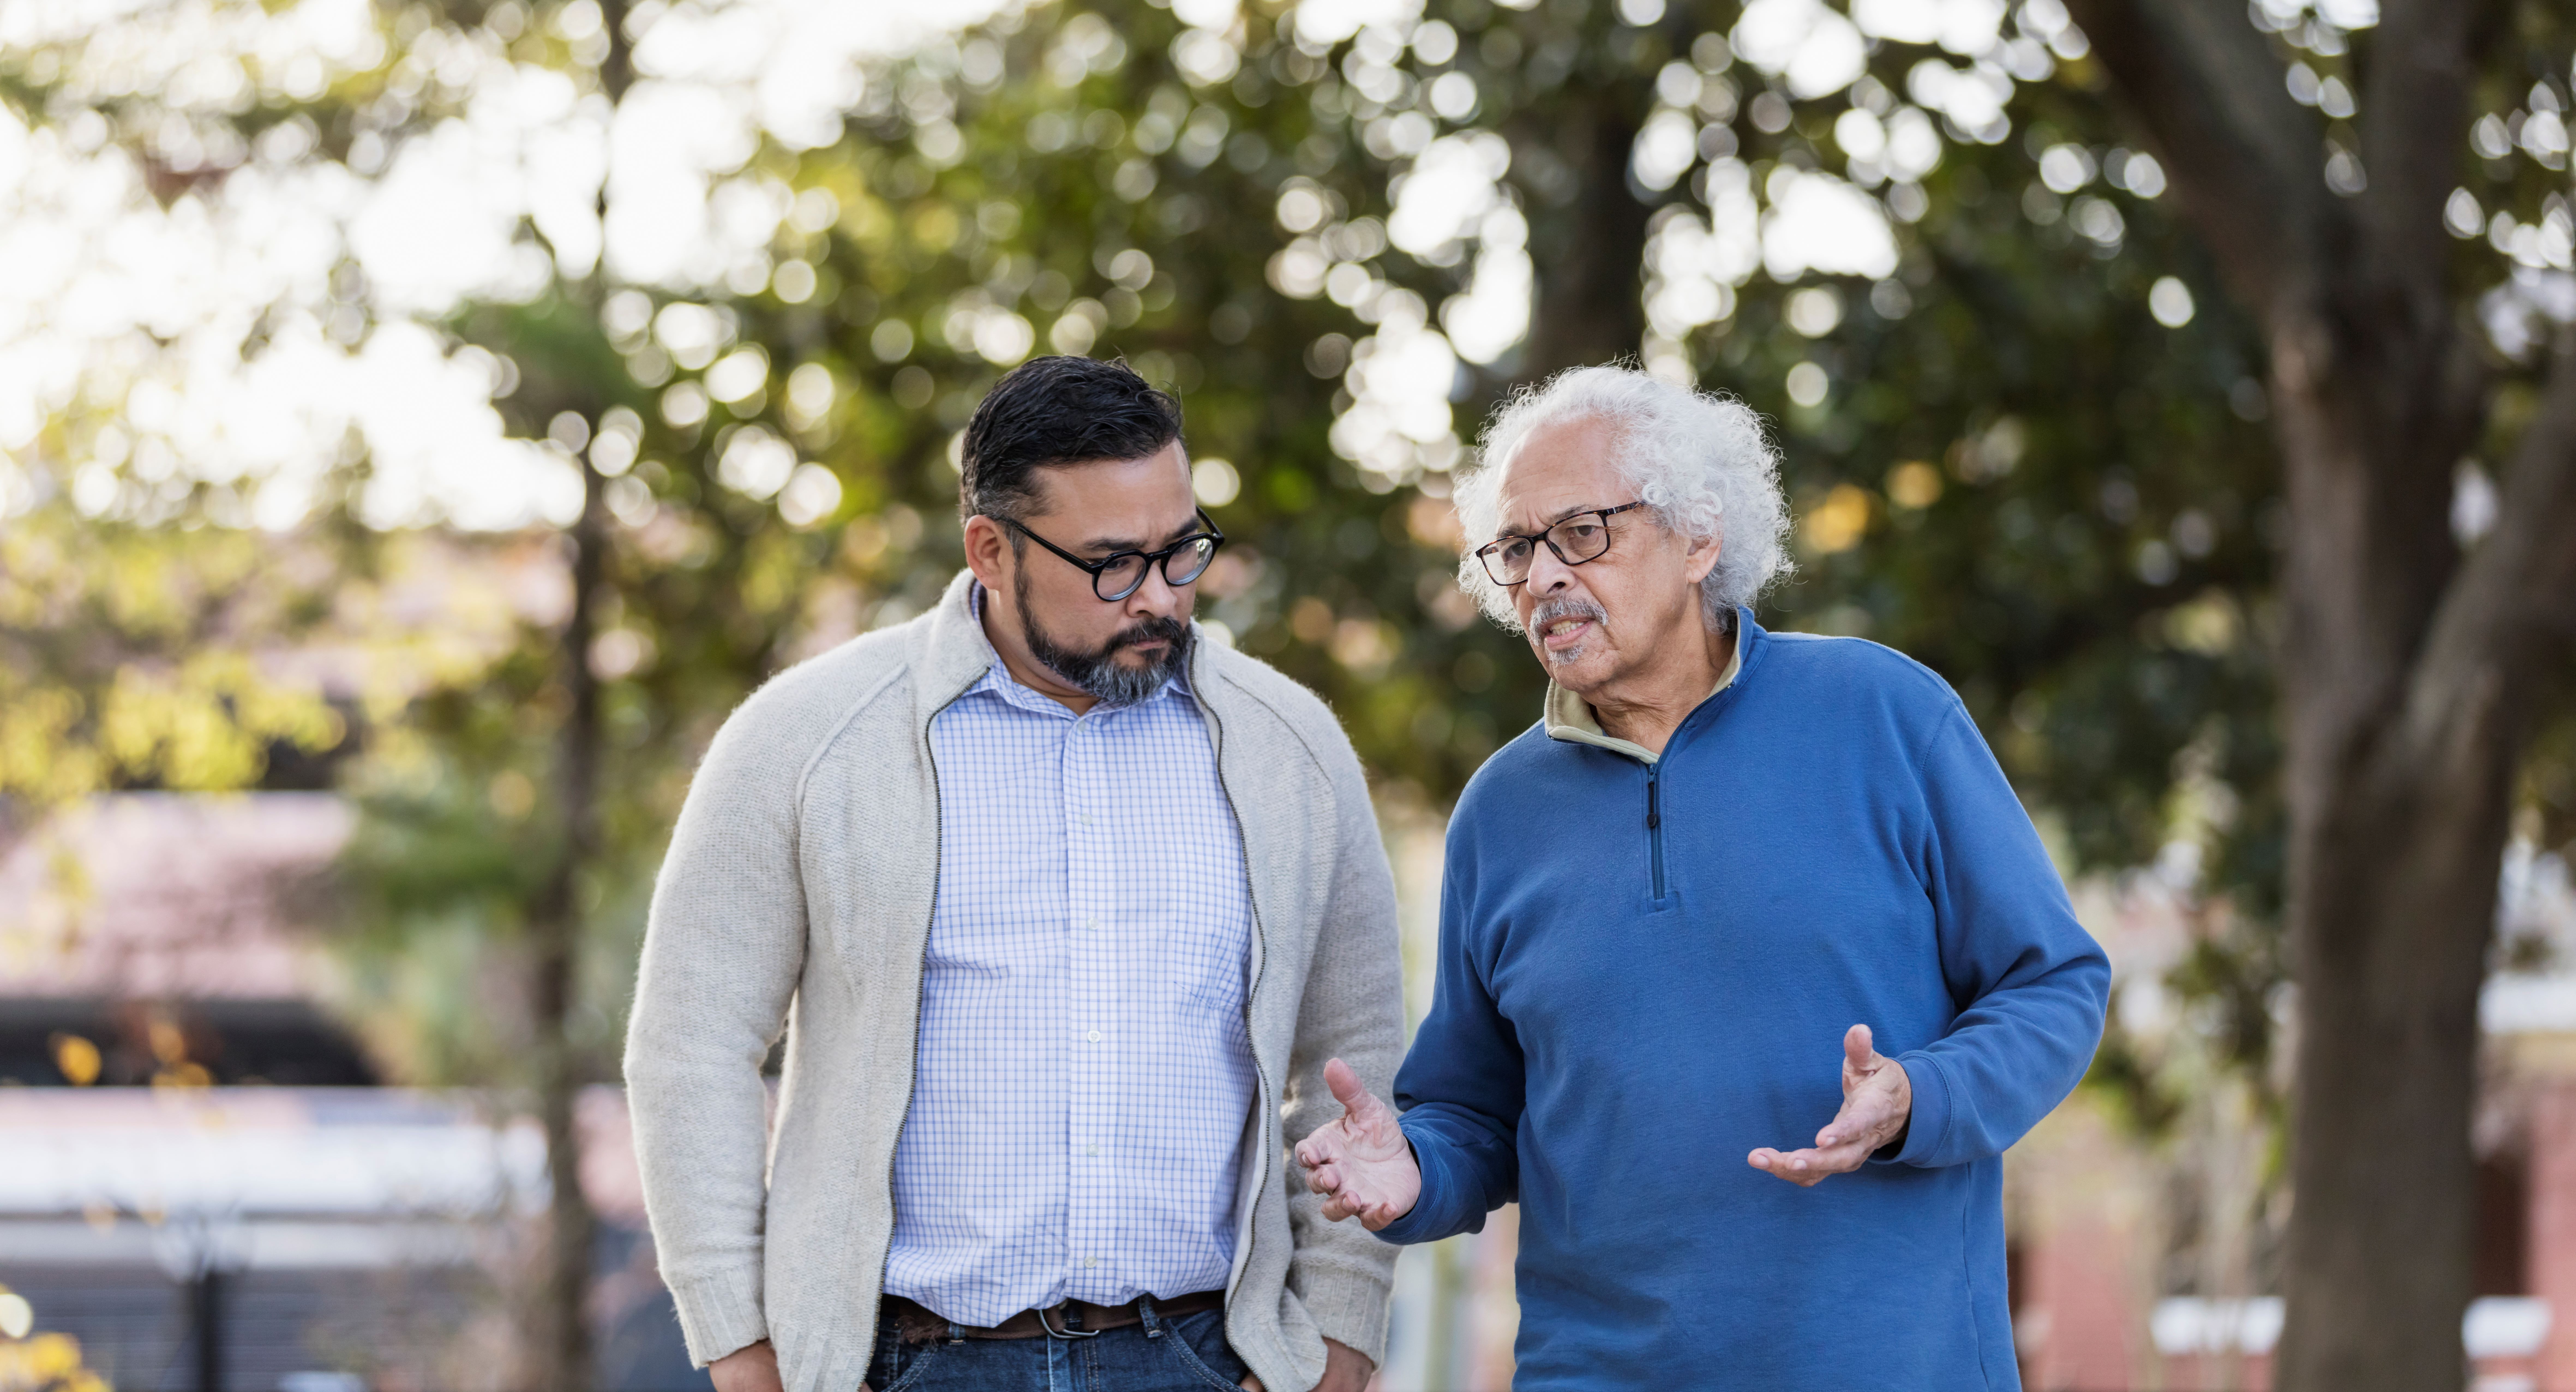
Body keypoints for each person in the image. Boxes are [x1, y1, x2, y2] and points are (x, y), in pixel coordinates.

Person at [1297, 365, 2111, 1388]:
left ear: (1699, 539)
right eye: (1517, 549)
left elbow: (2054, 985)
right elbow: (1477, 1114)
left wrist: (1921, 1095)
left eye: (1581, 532)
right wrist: (1413, 1170)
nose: (1544, 577)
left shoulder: (1886, 716)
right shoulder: (1499, 814)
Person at [626, 356, 1402, 1392]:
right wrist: (738, 1347)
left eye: (1182, 552)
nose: (1160, 598)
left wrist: (1340, 1339)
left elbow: (1358, 1057)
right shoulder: (805, 741)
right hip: (904, 1365)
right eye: (1113, 564)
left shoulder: (1292, 749)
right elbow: (693, 1047)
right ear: (991, 550)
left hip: (1206, 1359)